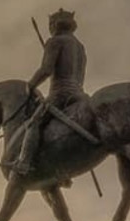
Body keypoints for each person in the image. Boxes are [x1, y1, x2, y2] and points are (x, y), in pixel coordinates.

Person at [13, 9, 88, 175]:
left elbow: (46, 70)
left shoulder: (55, 41)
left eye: (50, 25)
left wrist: (31, 85)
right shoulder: (80, 47)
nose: (50, 28)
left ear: (55, 25)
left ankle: (24, 162)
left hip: (60, 94)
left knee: (33, 123)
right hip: (80, 95)